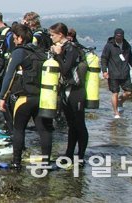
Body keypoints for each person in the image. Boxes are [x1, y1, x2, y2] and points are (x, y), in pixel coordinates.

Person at [0, 23, 53, 169]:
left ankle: (16, 162)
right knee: (44, 130)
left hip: (25, 99)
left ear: (20, 38)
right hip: (42, 98)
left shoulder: (19, 52)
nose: (14, 41)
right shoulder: (42, 52)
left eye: (15, 38)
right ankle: (46, 163)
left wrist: (2, 97)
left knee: (18, 129)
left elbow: (9, 76)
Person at [49, 22, 88, 163]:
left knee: (79, 124)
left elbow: (65, 69)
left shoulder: (71, 49)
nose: (51, 37)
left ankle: (81, 156)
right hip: (65, 91)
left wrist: (58, 55)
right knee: (71, 124)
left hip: (76, 91)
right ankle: (69, 153)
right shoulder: (63, 48)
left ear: (60, 35)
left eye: (52, 35)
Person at [101, 28, 132, 118]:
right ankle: (116, 112)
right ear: (114, 36)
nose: (119, 38)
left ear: (123, 36)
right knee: (115, 93)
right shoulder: (109, 46)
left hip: (125, 72)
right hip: (113, 73)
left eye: (120, 36)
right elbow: (104, 59)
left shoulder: (127, 45)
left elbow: (130, 58)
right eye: (117, 36)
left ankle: (120, 102)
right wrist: (104, 71)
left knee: (129, 92)